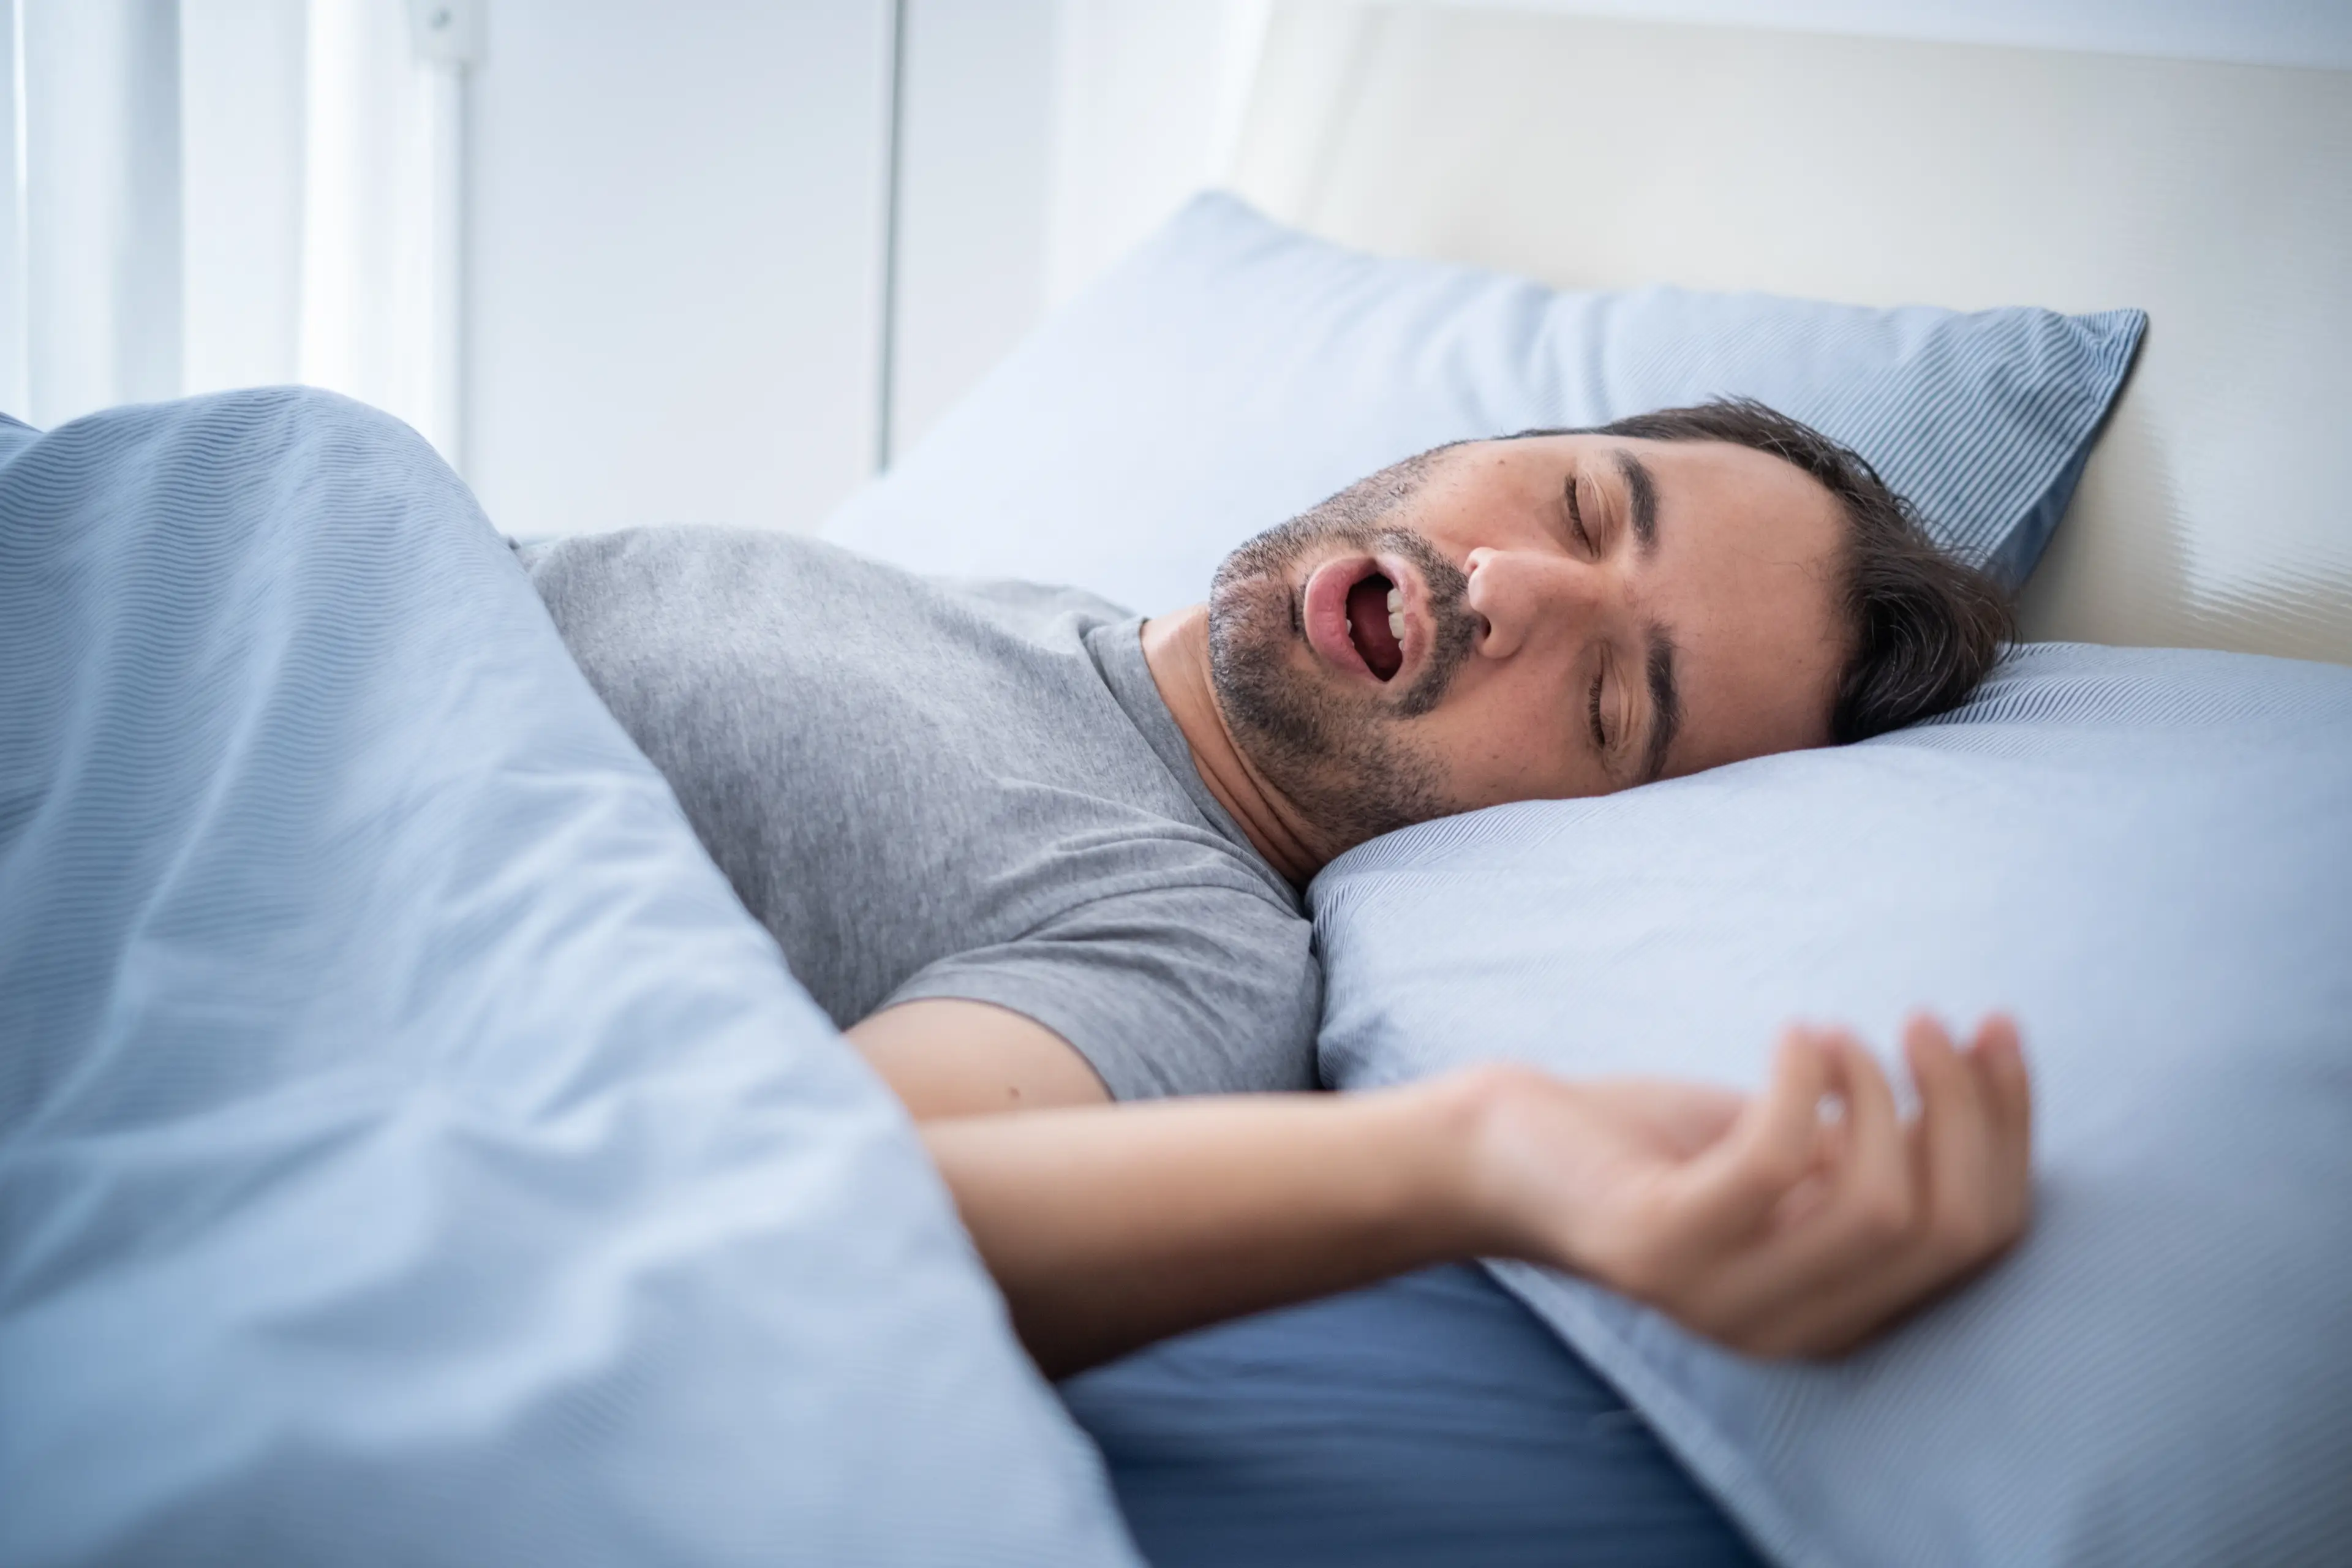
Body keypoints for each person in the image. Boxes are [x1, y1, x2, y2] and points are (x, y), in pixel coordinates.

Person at [522, 398, 2030, 1382]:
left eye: (1613, 708)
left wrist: (1477, 1156)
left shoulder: (1195, 944)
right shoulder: (1054, 621)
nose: (1515, 587)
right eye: (1580, 501)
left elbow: (836, 1208)